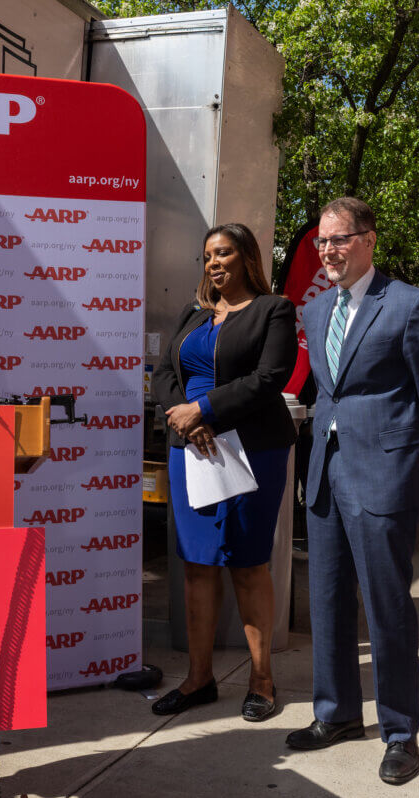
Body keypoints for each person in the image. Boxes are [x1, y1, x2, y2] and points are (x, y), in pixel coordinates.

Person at [285, 197, 419, 785]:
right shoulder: (315, 309)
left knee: (387, 608)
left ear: (369, 241)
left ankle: (401, 732)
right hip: (326, 474)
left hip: (384, 476)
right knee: (327, 601)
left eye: (339, 240)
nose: (328, 251)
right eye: (322, 243)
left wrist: (414, 466)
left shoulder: (409, 305)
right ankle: (335, 714)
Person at [152, 223, 297, 722]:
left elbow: (270, 378)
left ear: (246, 258)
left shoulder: (272, 310)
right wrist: (185, 417)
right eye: (208, 256)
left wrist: (206, 410)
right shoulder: (193, 314)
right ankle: (198, 680)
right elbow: (166, 374)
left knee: (248, 562)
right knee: (196, 563)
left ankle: (261, 681)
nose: (214, 264)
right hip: (189, 450)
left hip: (250, 449)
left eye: (224, 254)